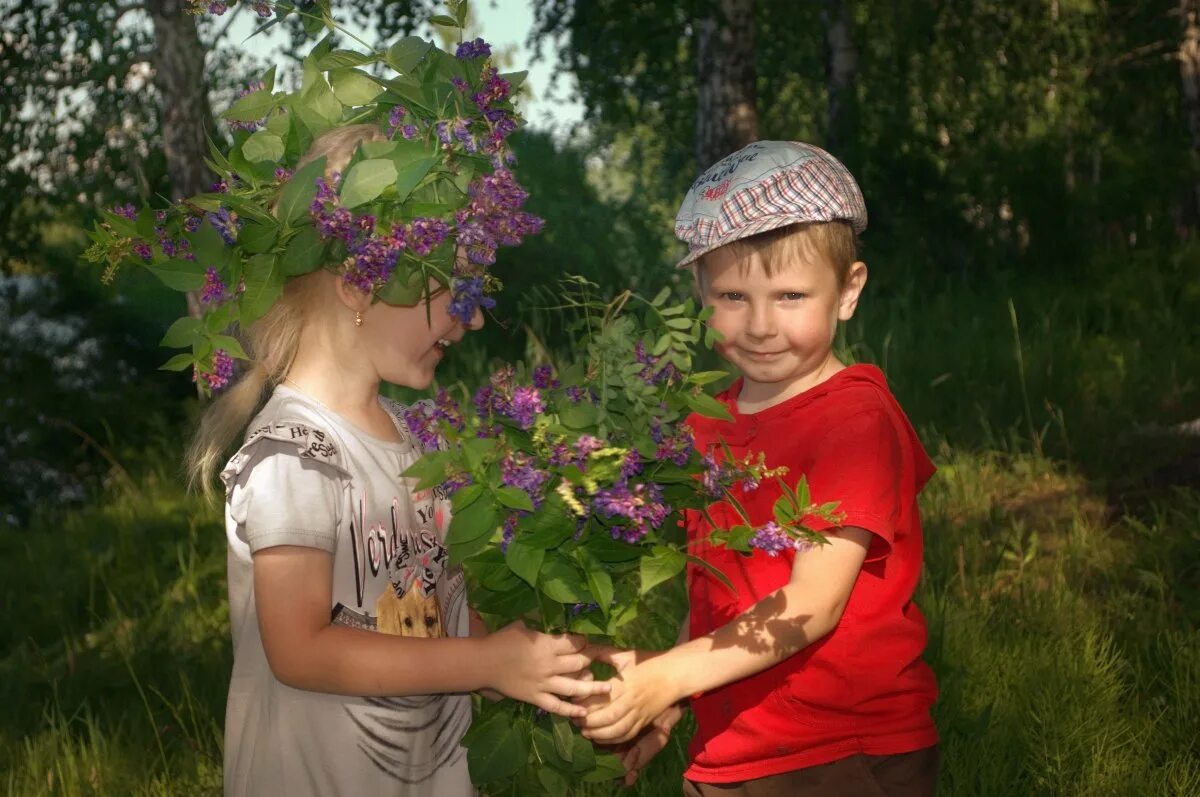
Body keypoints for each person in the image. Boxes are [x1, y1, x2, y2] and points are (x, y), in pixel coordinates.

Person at [187, 124, 609, 796]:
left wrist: (563, 668)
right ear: (359, 283)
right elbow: (300, 650)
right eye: (449, 289)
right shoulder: (292, 456)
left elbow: (461, 624)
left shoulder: (421, 444)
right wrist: (486, 662)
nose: (469, 320)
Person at [578, 141, 940, 796]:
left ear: (848, 291)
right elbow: (717, 586)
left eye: (792, 294)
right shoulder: (707, 423)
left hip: (841, 752)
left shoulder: (854, 421)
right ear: (699, 293)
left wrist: (667, 674)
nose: (762, 323)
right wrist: (666, 704)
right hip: (732, 747)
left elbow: (812, 602)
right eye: (733, 295)